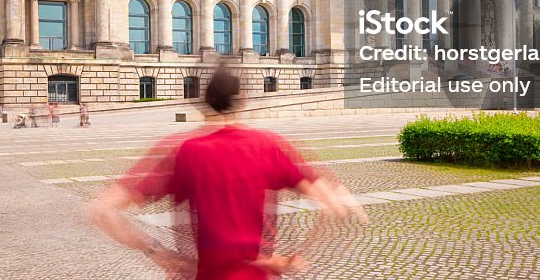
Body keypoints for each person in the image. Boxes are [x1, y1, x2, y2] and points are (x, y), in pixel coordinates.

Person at [90, 66, 365, 278]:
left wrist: (159, 253)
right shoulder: (269, 145)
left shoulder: (180, 150)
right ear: (243, 100)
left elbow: (102, 211)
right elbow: (333, 208)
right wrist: (285, 260)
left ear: (203, 101)